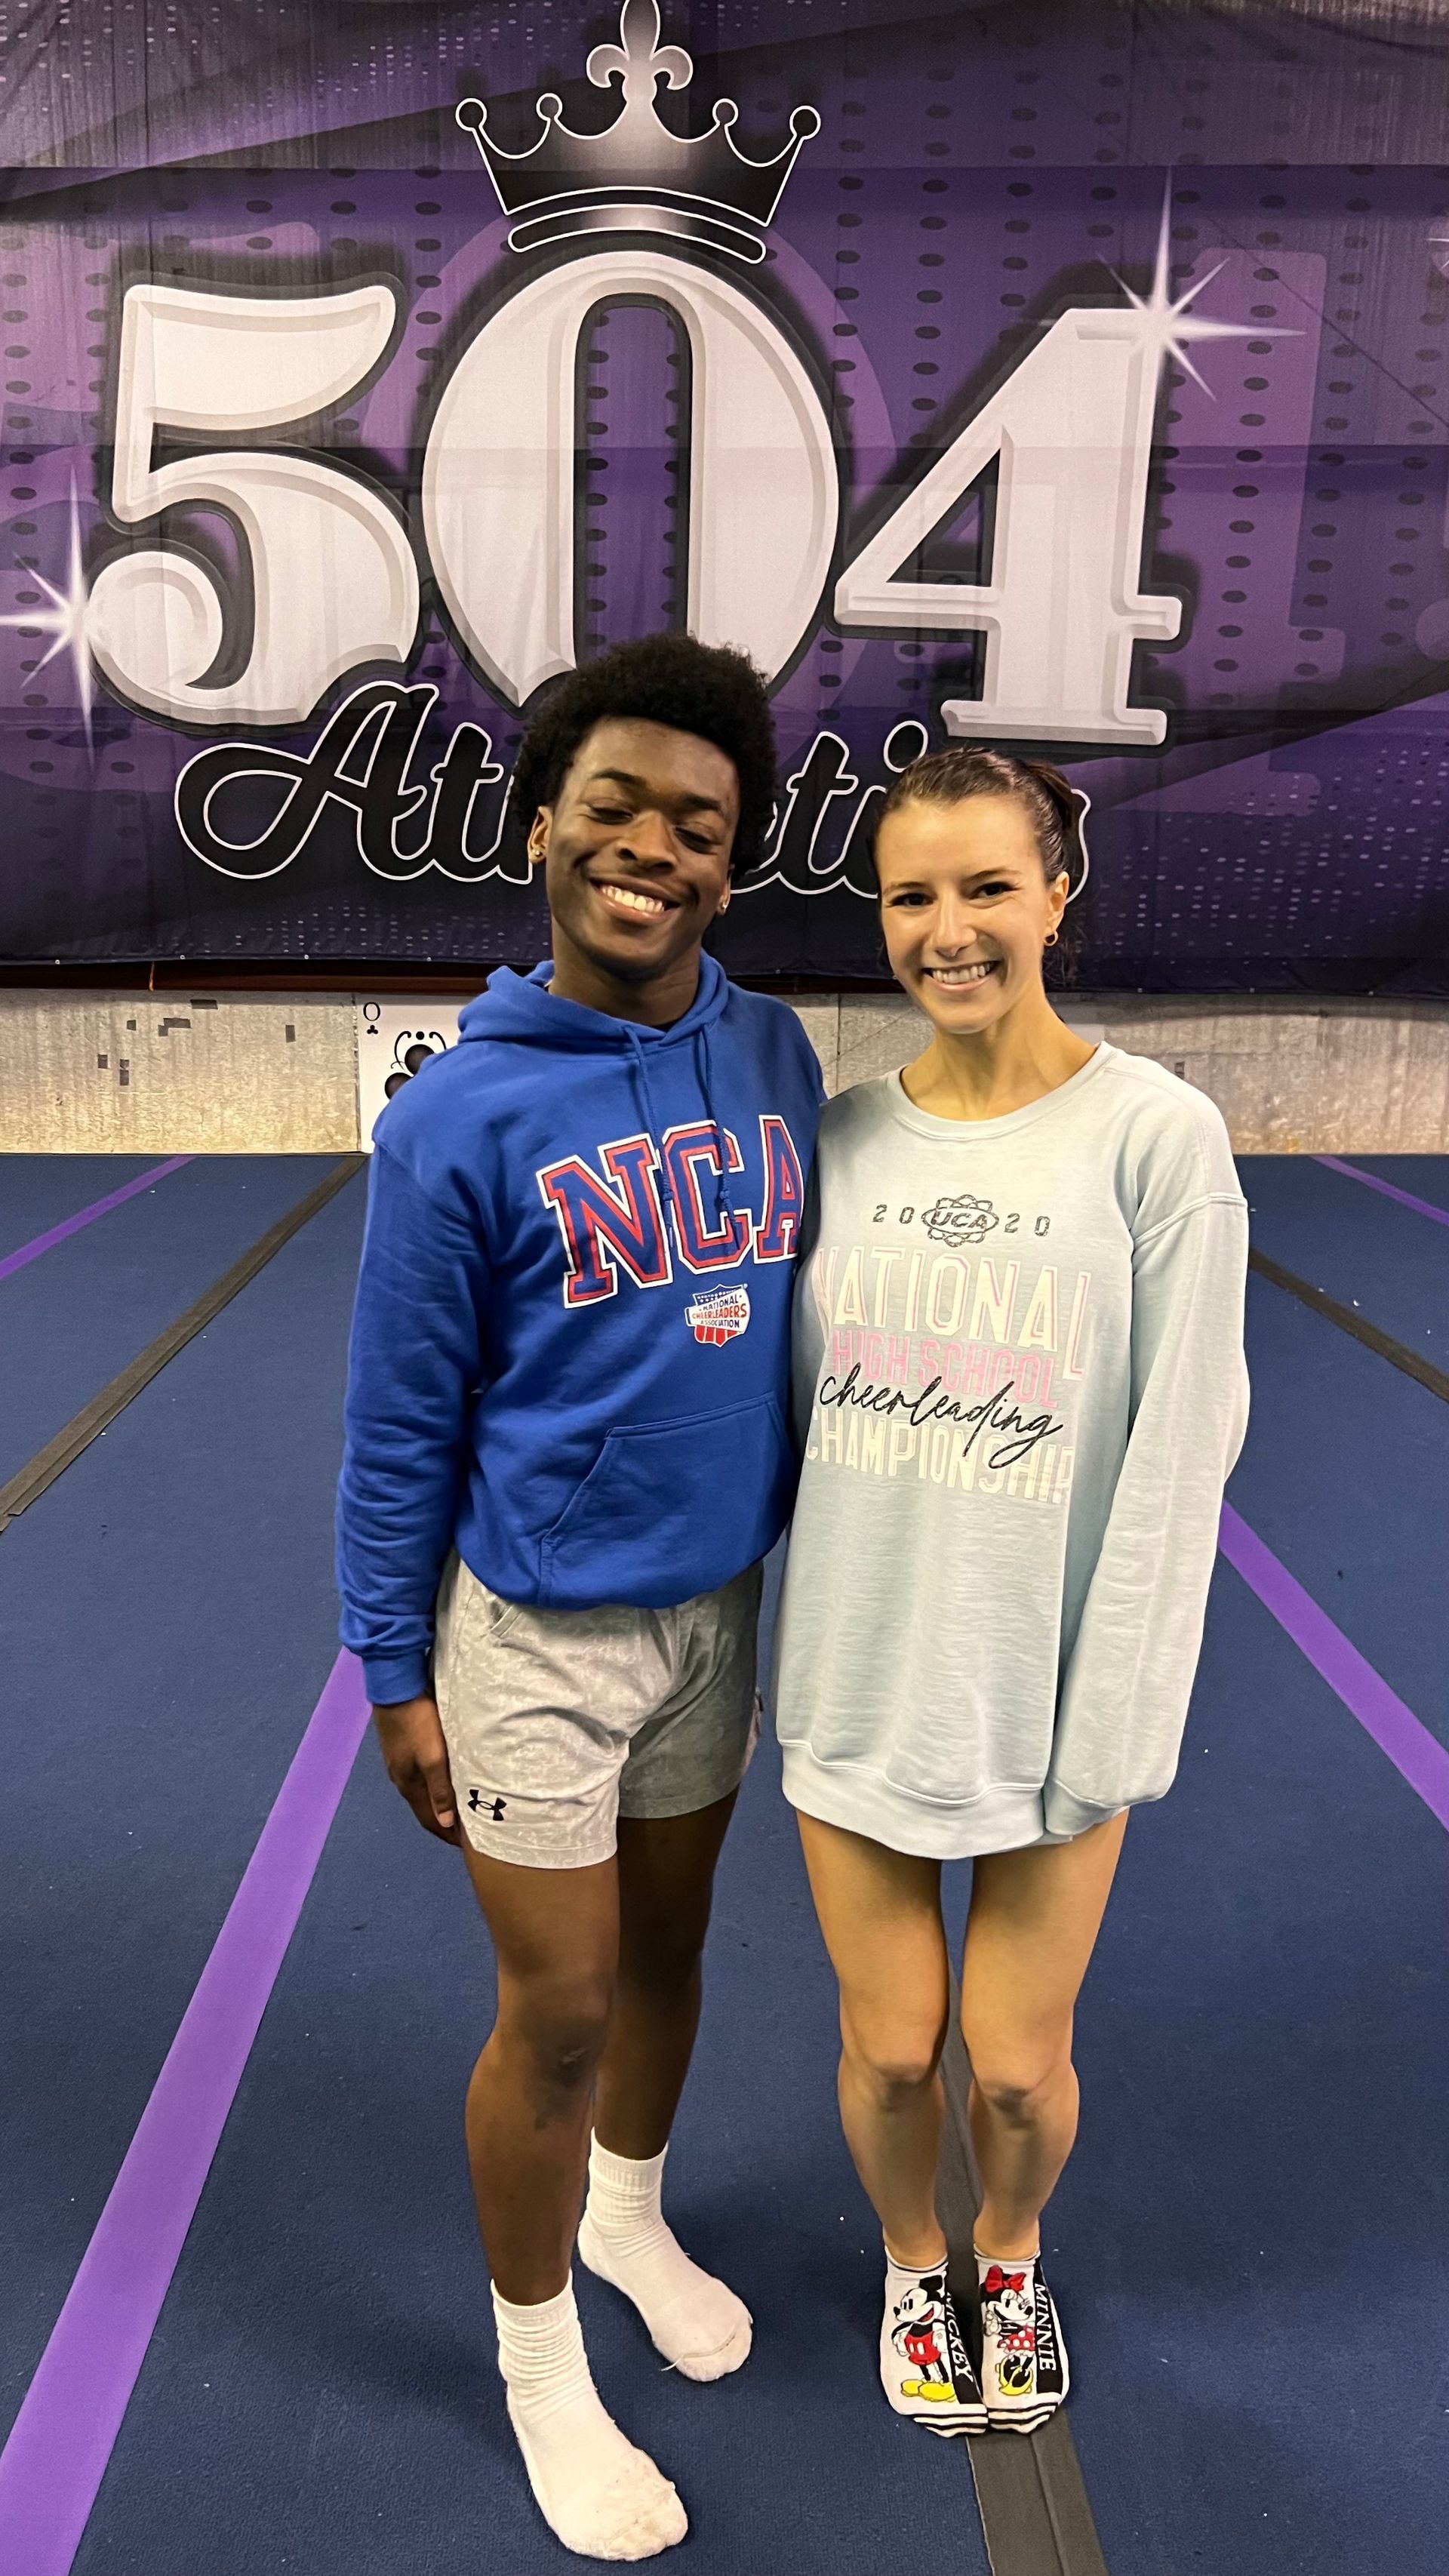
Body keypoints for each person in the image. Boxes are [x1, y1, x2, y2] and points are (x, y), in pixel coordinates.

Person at [336, 634, 822, 2560]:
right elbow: (397, 1423)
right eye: (614, 804)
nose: (653, 847)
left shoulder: (776, 1051)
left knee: (678, 1959)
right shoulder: (460, 1116)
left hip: (720, 1618)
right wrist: (397, 1666)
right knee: (559, 2003)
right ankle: (541, 2363)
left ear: (731, 861)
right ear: (542, 824)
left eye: (697, 824)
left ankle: (627, 2212)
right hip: (535, 1633)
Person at [771, 743, 1248, 2436]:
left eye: (988, 887)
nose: (950, 929)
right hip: (857, 1676)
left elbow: (1185, 1446)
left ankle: (1011, 2241)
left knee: (1013, 2066)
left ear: (1061, 892)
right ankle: (917, 2259)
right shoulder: (832, 1144)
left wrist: (1112, 1717)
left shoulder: (1157, 1139)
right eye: (913, 896)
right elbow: (764, 1411)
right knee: (893, 2049)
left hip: (1053, 1694)